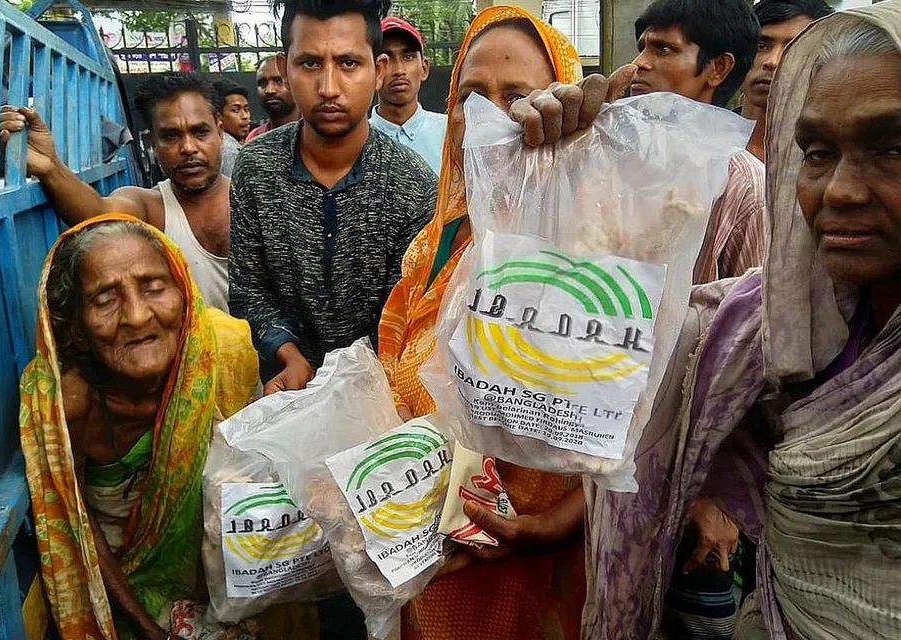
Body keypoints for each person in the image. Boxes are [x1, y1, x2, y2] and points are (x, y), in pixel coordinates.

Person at [582, 3, 901, 639]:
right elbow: (612, 346)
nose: (839, 190)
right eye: (817, 152)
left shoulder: (740, 188)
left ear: (716, 67)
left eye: (891, 149)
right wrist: (554, 172)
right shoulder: (773, 320)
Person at [379, 6, 636, 639]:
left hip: (541, 571)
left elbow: (638, 430)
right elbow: (393, 374)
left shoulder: (598, 249)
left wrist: (553, 524)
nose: (489, 116)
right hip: (426, 562)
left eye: (518, 96)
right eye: (471, 96)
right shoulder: (433, 243)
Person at [19, 215, 261, 639]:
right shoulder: (68, 399)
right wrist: (147, 630)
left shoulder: (223, 353)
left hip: (222, 566)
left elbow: (251, 484)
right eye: (105, 299)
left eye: (153, 288)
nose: (135, 316)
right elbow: (77, 525)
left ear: (185, 295)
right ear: (78, 330)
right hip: (122, 579)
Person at [229, 0, 438, 397]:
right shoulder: (256, 167)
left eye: (348, 63)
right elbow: (249, 289)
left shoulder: (413, 184)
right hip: (283, 388)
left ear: (377, 71)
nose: (328, 87)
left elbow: (403, 316)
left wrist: (347, 387)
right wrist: (288, 355)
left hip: (380, 393)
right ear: (285, 68)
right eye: (309, 63)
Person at [0, 73, 232, 312]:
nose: (188, 148)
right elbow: (98, 213)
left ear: (220, 132)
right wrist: (50, 166)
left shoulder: (252, 198)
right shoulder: (150, 207)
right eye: (171, 136)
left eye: (200, 132)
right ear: (152, 143)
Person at [631, 0, 766, 283]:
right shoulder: (612, 158)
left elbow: (753, 305)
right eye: (642, 48)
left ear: (718, 68)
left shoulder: (744, 186)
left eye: (663, 49)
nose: (639, 63)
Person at [739, 0, 834, 162]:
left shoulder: (829, 157)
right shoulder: (705, 140)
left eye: (794, 49)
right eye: (761, 46)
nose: (772, 61)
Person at [369, 17, 447, 173]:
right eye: (386, 59)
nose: (399, 70)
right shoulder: (354, 142)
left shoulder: (450, 134)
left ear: (424, 68)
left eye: (408, 57)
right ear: (373, 71)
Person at [245, 56, 301, 142]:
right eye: (262, 83)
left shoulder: (316, 133)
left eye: (279, 81)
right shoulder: (254, 138)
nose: (269, 90)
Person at [213, 78, 251, 176]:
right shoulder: (229, 151)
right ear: (218, 116)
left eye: (246, 109)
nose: (245, 116)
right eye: (235, 110)